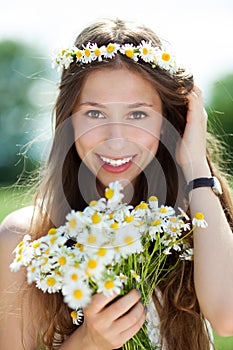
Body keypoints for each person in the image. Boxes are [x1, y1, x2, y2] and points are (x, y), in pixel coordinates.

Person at [0, 18, 233, 350]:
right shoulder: (28, 238)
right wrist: (89, 341)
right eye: (94, 114)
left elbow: (227, 316)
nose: (116, 139)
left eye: (138, 114)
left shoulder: (193, 219)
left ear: (168, 121)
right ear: (69, 121)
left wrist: (195, 165)